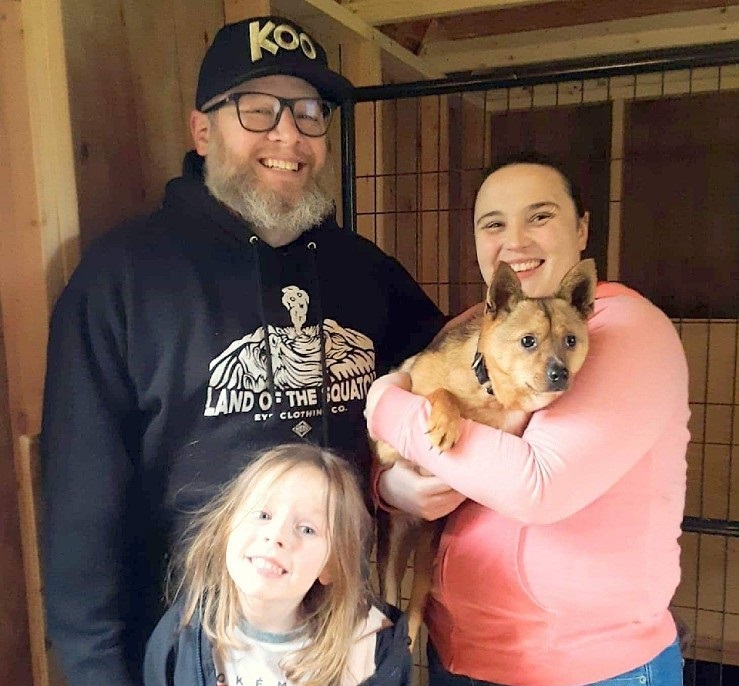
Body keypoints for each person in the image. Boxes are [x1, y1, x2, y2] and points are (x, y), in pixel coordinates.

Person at [41, 15, 446, 686]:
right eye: (258, 110)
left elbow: (447, 384)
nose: (288, 135)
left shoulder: (368, 273)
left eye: (309, 113)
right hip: (186, 653)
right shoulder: (122, 280)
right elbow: (80, 512)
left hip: (339, 645)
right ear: (202, 131)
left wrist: (393, 483)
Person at [365, 151, 689, 686]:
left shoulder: (627, 330)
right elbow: (412, 449)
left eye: (539, 216)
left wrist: (384, 404)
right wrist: (392, 487)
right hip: (461, 657)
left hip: (588, 669)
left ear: (581, 228)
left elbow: (537, 486)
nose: (514, 242)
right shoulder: (474, 325)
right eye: (494, 224)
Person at [143, 443, 411, 686]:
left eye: (306, 529)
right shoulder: (182, 634)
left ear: (331, 564)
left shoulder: (369, 650)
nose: (276, 536)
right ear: (226, 529)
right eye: (263, 515)